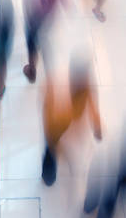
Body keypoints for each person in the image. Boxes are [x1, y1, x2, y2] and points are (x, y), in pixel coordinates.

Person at [41, 54, 102, 185]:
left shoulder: (86, 85)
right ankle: (49, 172)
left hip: (71, 127)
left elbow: (91, 103)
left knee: (70, 151)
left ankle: (59, 163)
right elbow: (47, 111)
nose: (84, 80)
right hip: (56, 128)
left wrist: (97, 125)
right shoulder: (58, 85)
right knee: (51, 151)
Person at [22, 0, 70, 82]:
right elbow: (67, 3)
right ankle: (49, 74)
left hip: (34, 20)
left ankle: (32, 70)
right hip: (49, 20)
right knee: (44, 43)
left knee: (32, 45)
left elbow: (26, 2)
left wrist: (28, 18)